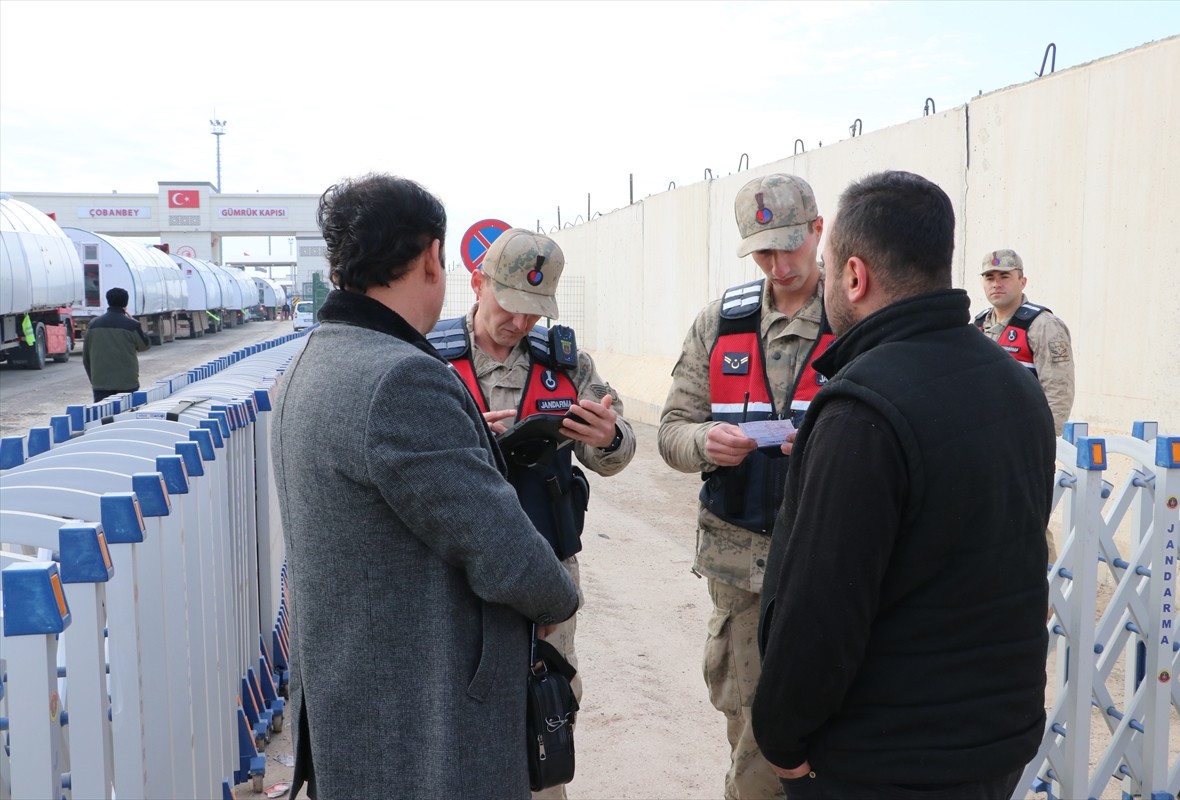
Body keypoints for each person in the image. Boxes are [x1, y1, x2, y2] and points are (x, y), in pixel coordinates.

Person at [270, 174, 579, 800]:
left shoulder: (313, 360)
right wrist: (556, 599)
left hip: (353, 704)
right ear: (435, 257)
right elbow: (499, 546)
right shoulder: (402, 379)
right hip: (420, 720)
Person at [753, 171, 1053, 799]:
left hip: (886, 761)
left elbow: (822, 613)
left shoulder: (863, 409)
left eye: (830, 268)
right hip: (996, 746)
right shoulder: (1016, 387)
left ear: (854, 276)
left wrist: (782, 744)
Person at [428, 227, 635, 799]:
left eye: (534, 312)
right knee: (455, 714)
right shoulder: (429, 358)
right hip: (457, 575)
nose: (520, 324)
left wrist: (609, 436)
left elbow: (617, 450)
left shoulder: (565, 364)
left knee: (545, 709)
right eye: (510, 306)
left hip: (546, 568)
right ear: (477, 283)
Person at [658, 173, 834, 800]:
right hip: (742, 571)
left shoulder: (856, 317)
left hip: (832, 561)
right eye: (763, 252)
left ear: (819, 231)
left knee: (833, 732)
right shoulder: (719, 323)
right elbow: (672, 429)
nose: (780, 265)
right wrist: (705, 443)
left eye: (791, 246)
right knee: (752, 736)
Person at [976, 248, 1075, 434]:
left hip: (1025, 435)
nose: (996, 284)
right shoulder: (978, 325)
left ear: (1022, 282)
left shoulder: (1044, 325)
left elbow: (1059, 390)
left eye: (1004, 276)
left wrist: (1047, 439)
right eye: (990, 278)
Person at [82, 286, 151, 402]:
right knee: (126, 417)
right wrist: (133, 320)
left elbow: (86, 359)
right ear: (126, 303)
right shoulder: (131, 325)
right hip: (127, 384)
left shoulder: (93, 325)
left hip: (101, 385)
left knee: (102, 418)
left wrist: (95, 381)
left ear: (108, 301)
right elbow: (145, 345)